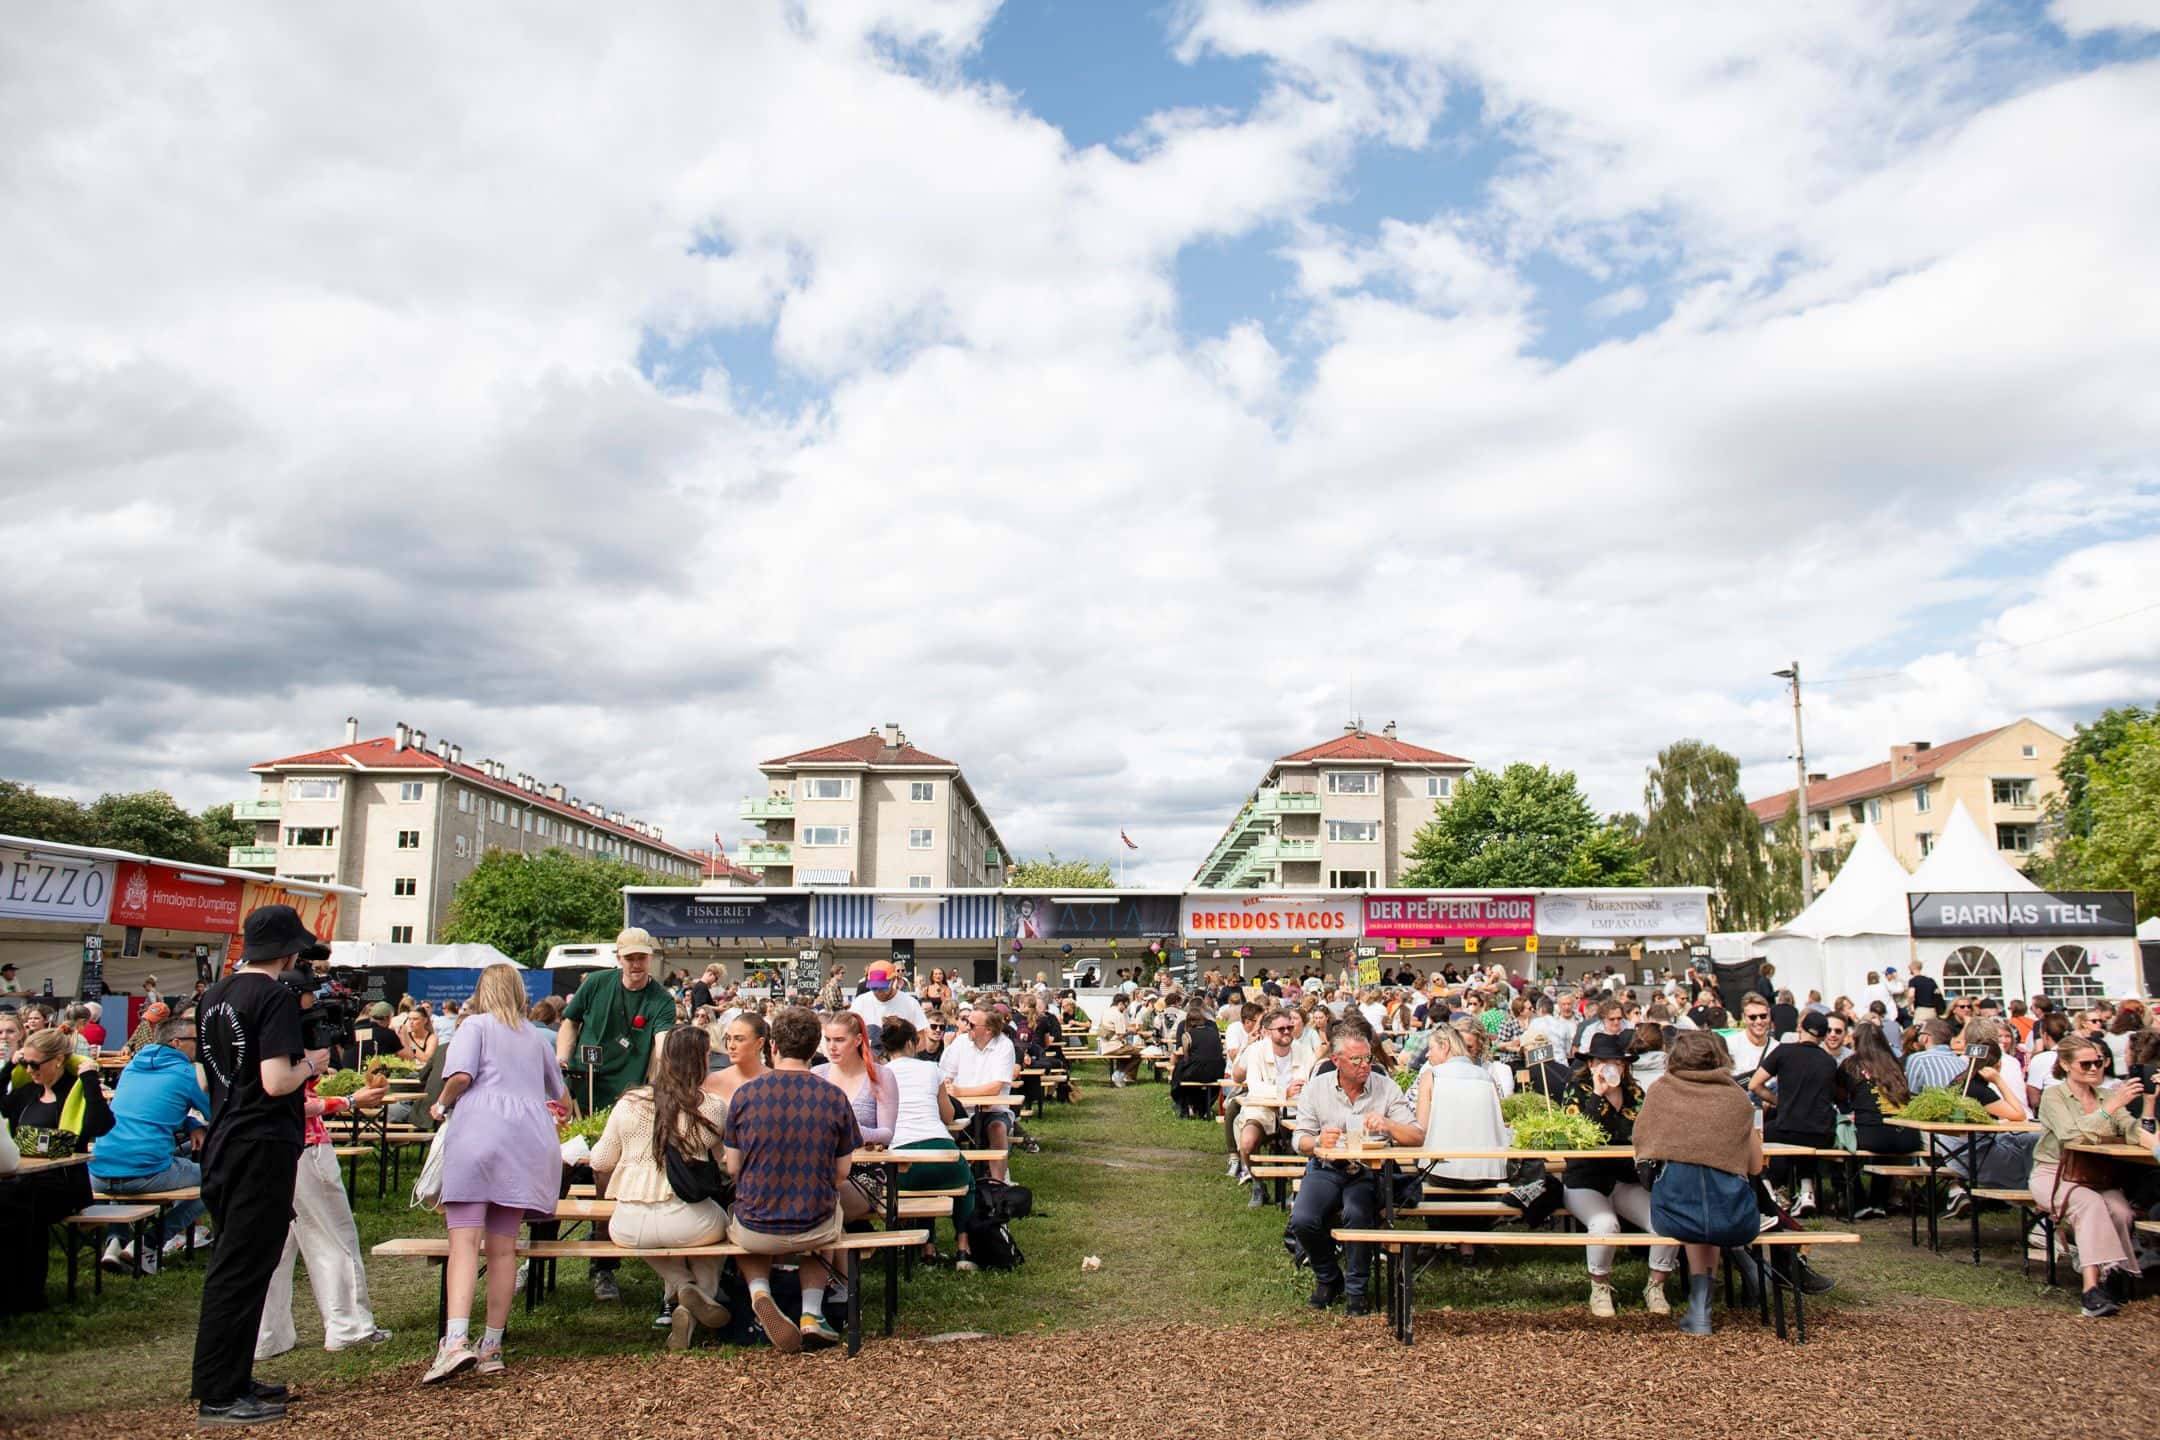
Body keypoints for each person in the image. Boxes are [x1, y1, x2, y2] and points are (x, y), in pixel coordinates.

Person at [188, 905, 327, 1427]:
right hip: (261, 1141)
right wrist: (312, 1064)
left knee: (237, 1263)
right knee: (242, 1268)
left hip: (226, 1137)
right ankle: (220, 1392)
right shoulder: (271, 997)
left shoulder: (217, 994)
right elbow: (276, 1080)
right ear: (288, 951)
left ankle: (232, 1376)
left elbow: (211, 1076)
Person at [424, 963, 570, 1382]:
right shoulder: (536, 1037)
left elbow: (462, 1076)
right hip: (527, 1141)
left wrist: (441, 1104)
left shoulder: (474, 1028)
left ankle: (454, 1341)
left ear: (483, 991)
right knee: (504, 1249)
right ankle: (492, 1344)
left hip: (479, 1134)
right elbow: (560, 1095)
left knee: (465, 1243)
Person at [257, 981, 391, 1361]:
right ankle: (349, 1327)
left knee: (274, 1247)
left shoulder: (254, 1035)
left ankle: (268, 1335)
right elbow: (298, 1103)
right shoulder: (288, 1046)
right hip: (306, 1148)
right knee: (333, 1238)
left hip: (267, 1151)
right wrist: (349, 1099)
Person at [722, 1006, 863, 1353]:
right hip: (813, 1221)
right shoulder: (834, 1097)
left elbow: (733, 1166)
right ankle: (812, 1311)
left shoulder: (745, 1095)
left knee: (738, 1217)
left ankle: (759, 1292)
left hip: (757, 1224)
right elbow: (842, 1172)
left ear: (772, 1046)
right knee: (832, 1219)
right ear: (815, 1046)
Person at [591, 1026, 733, 1351]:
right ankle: (696, 1297)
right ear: (701, 1062)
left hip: (629, 1224)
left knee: (649, 1239)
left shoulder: (629, 1103)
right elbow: (725, 1161)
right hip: (689, 1216)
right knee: (722, 1233)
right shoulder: (710, 1106)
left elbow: (600, 1160)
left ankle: (681, 1288)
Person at [556, 927, 677, 1302]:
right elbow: (569, 1022)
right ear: (619, 959)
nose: (637, 964)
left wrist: (653, 1088)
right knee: (557, 1168)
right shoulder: (596, 983)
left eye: (643, 957)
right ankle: (536, 1251)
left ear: (650, 958)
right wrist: (561, 1061)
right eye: (630, 958)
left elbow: (661, 1046)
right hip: (582, 1094)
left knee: (607, 1179)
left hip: (628, 1102)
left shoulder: (661, 999)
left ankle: (604, 1264)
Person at [1633, 1029, 1764, 1335]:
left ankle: (1700, 1306)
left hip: (1673, 1212)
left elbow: (1641, 1147)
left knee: (1694, 1207)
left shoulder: (1661, 1091)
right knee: (1710, 1208)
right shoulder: (1736, 1098)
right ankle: (1700, 1304)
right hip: (1731, 1214)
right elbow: (1756, 1166)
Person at [1288, 1031, 1423, 1316]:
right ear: (1336, 1060)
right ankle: (1329, 1278)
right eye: (1356, 1060)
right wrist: (1316, 1141)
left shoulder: (1385, 1087)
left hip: (1367, 1171)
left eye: (1368, 1058)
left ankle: (1356, 1290)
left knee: (1357, 1213)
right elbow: (1299, 1139)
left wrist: (1388, 1124)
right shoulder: (1317, 1088)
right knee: (1302, 1219)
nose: (1365, 1065)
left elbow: (1416, 1136)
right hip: (1326, 1168)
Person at [2029, 1034, 2146, 1318]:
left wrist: (2150, 1113)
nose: (2094, 1069)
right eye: (2086, 1064)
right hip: (2054, 1173)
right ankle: (2090, 1290)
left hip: (2095, 1176)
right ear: (2066, 1065)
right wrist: (2111, 1108)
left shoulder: (2106, 1096)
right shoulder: (2054, 1096)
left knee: (2121, 1211)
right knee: (2090, 1205)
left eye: (2099, 1062)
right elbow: (2070, 1135)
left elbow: (2132, 1130)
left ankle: (2112, 1275)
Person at [1561, 1032, 1677, 1317]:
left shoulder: (1636, 1094)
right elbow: (1578, 1137)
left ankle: (1656, 1286)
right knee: (1604, 1225)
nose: (1611, 1067)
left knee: (1667, 1223)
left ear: (1625, 1067)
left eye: (1617, 1062)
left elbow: (1649, 1131)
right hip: (1585, 1181)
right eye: (1603, 1062)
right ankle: (1599, 1287)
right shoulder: (1576, 1090)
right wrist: (1599, 1095)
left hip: (1626, 1179)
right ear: (1590, 1065)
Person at [90, 1015, 211, 1273]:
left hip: (98, 1170)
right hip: (145, 1171)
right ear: (177, 1043)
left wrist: (188, 1123)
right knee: (218, 1180)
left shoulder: (132, 1068)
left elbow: (149, 1111)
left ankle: (115, 1241)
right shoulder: (188, 1073)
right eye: (196, 1040)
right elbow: (217, 1113)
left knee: (130, 1163)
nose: (201, 1045)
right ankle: (149, 1244)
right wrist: (195, 1122)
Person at [882, 1016, 979, 1269]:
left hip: (901, 1163)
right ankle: (963, 1248)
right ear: (913, 1044)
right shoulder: (930, 1069)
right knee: (967, 1183)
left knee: (921, 1190)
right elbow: (948, 1116)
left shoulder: (880, 1074)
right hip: (940, 1150)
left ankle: (929, 1248)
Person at [1413, 1025, 1509, 1263]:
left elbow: (1420, 1130)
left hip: (1443, 1172)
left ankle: (1438, 1237)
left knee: (1427, 1168)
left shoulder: (1431, 1076)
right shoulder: (1487, 1077)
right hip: (1488, 1172)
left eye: (1431, 1048)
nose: (1427, 1054)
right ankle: (1468, 1244)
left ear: (1445, 1047)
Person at [1751, 1011, 1839, 1215]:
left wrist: (1778, 1102)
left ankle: (1769, 1189)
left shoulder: (1784, 1052)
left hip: (1788, 1128)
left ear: (1800, 1028)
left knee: (1761, 1138)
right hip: (1821, 1133)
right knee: (1805, 1138)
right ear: (1824, 1036)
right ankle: (1807, 1191)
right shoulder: (1828, 1061)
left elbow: (1755, 1084)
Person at [816, 1011, 897, 1227]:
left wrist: (853, 1130)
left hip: (865, 1172)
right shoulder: (817, 1074)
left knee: (824, 1205)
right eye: (828, 1039)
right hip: (819, 1169)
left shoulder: (880, 1075)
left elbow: (887, 1134)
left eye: (840, 1040)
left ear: (858, 1040)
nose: (832, 1047)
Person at [1837, 1022, 1921, 1219]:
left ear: (1857, 1041)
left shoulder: (1851, 1064)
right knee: (1885, 1148)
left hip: (1873, 1135)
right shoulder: (1896, 1063)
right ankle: (1878, 1202)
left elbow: (1839, 1095)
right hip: (1908, 1135)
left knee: (1842, 1144)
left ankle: (1858, 1202)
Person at [940, 1004, 1019, 1179]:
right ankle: (949, 1180)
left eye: (972, 1024)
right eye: (967, 1022)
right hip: (960, 1109)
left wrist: (959, 1092)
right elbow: (945, 1075)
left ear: (989, 1030)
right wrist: (949, 1087)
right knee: (942, 1129)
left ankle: (999, 1185)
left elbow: (995, 1087)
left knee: (997, 1128)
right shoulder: (961, 1042)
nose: (967, 1027)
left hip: (993, 1110)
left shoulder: (1004, 1046)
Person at [848, 963, 928, 1054]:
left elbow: (921, 1041)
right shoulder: (860, 1002)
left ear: (893, 980)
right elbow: (848, 1033)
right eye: (874, 988)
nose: (879, 992)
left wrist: (901, 1058)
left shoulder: (910, 1003)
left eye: (884, 987)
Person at [1169, 998, 1225, 1121]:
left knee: (1179, 1074)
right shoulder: (1214, 1033)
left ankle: (1184, 1109)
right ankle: (1203, 1106)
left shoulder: (1187, 1035)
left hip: (1198, 1071)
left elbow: (1186, 1056)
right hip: (1217, 1071)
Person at [708, 1013, 772, 1105]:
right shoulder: (712, 1080)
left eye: (739, 1039)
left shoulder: (775, 1083)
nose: (731, 1046)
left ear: (759, 1043)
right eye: (728, 1038)